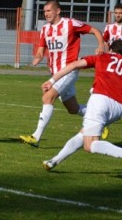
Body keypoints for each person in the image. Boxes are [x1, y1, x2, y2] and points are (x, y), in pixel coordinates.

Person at [19, 0, 106, 147]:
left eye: (49, 11)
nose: (46, 14)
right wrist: (37, 57)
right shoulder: (45, 29)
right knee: (73, 109)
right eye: (44, 11)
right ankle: (100, 120)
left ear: (58, 11)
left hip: (69, 70)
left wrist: (101, 46)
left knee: (47, 97)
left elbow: (95, 30)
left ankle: (35, 137)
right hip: (55, 72)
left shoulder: (71, 24)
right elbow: (41, 50)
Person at [42, 39, 122, 170]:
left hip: (100, 101)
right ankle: (54, 160)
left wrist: (52, 80)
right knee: (83, 134)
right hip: (118, 107)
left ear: (111, 50)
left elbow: (74, 65)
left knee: (89, 145)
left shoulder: (102, 57)